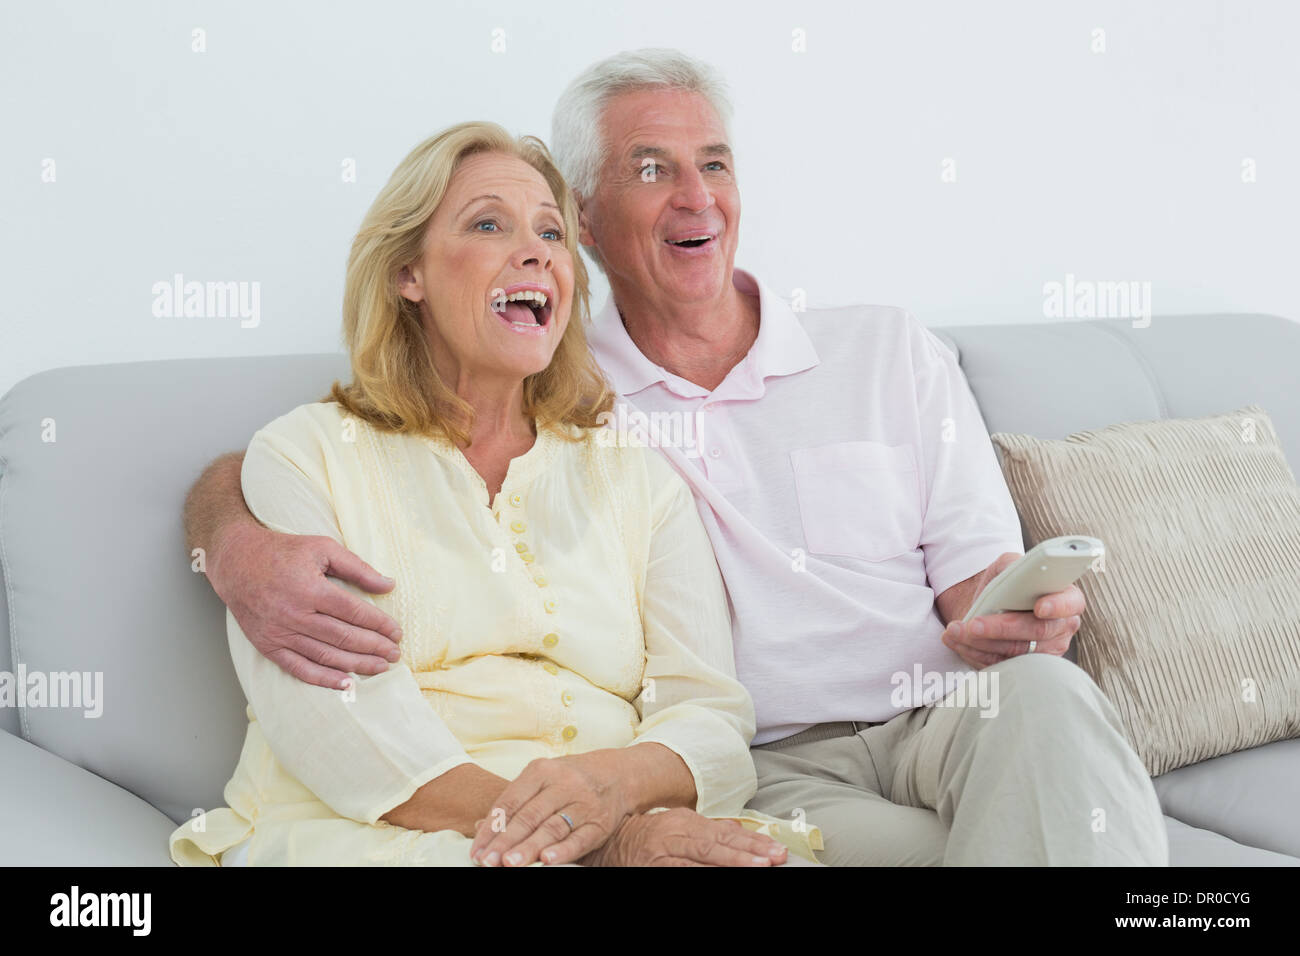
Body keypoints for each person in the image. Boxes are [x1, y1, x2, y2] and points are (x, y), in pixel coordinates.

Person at [185, 50, 1168, 866]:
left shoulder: (876, 352)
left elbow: (971, 590)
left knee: (1044, 694)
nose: (695, 195)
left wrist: (1016, 607)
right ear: (592, 218)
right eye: (651, 168)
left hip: (945, 721)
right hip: (775, 760)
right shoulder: (584, 400)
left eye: (715, 163)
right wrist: (228, 537)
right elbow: (291, 464)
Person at [171, 120, 821, 867]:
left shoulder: (635, 473)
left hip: (628, 827)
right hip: (384, 835)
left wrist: (615, 796)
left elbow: (709, 712)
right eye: (488, 224)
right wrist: (599, 839)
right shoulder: (305, 456)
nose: (536, 250)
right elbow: (337, 726)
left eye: (551, 232)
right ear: (406, 273)